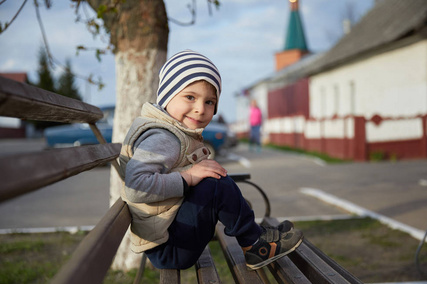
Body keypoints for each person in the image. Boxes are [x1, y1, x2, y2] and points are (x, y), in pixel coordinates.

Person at [118, 50, 303, 270]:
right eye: (190, 97)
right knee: (213, 184)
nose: (200, 108)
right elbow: (135, 187)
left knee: (212, 178)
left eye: (209, 102)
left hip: (169, 237)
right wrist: (188, 177)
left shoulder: (170, 131)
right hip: (170, 248)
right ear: (167, 95)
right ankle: (255, 244)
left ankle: (254, 235)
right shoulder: (163, 138)